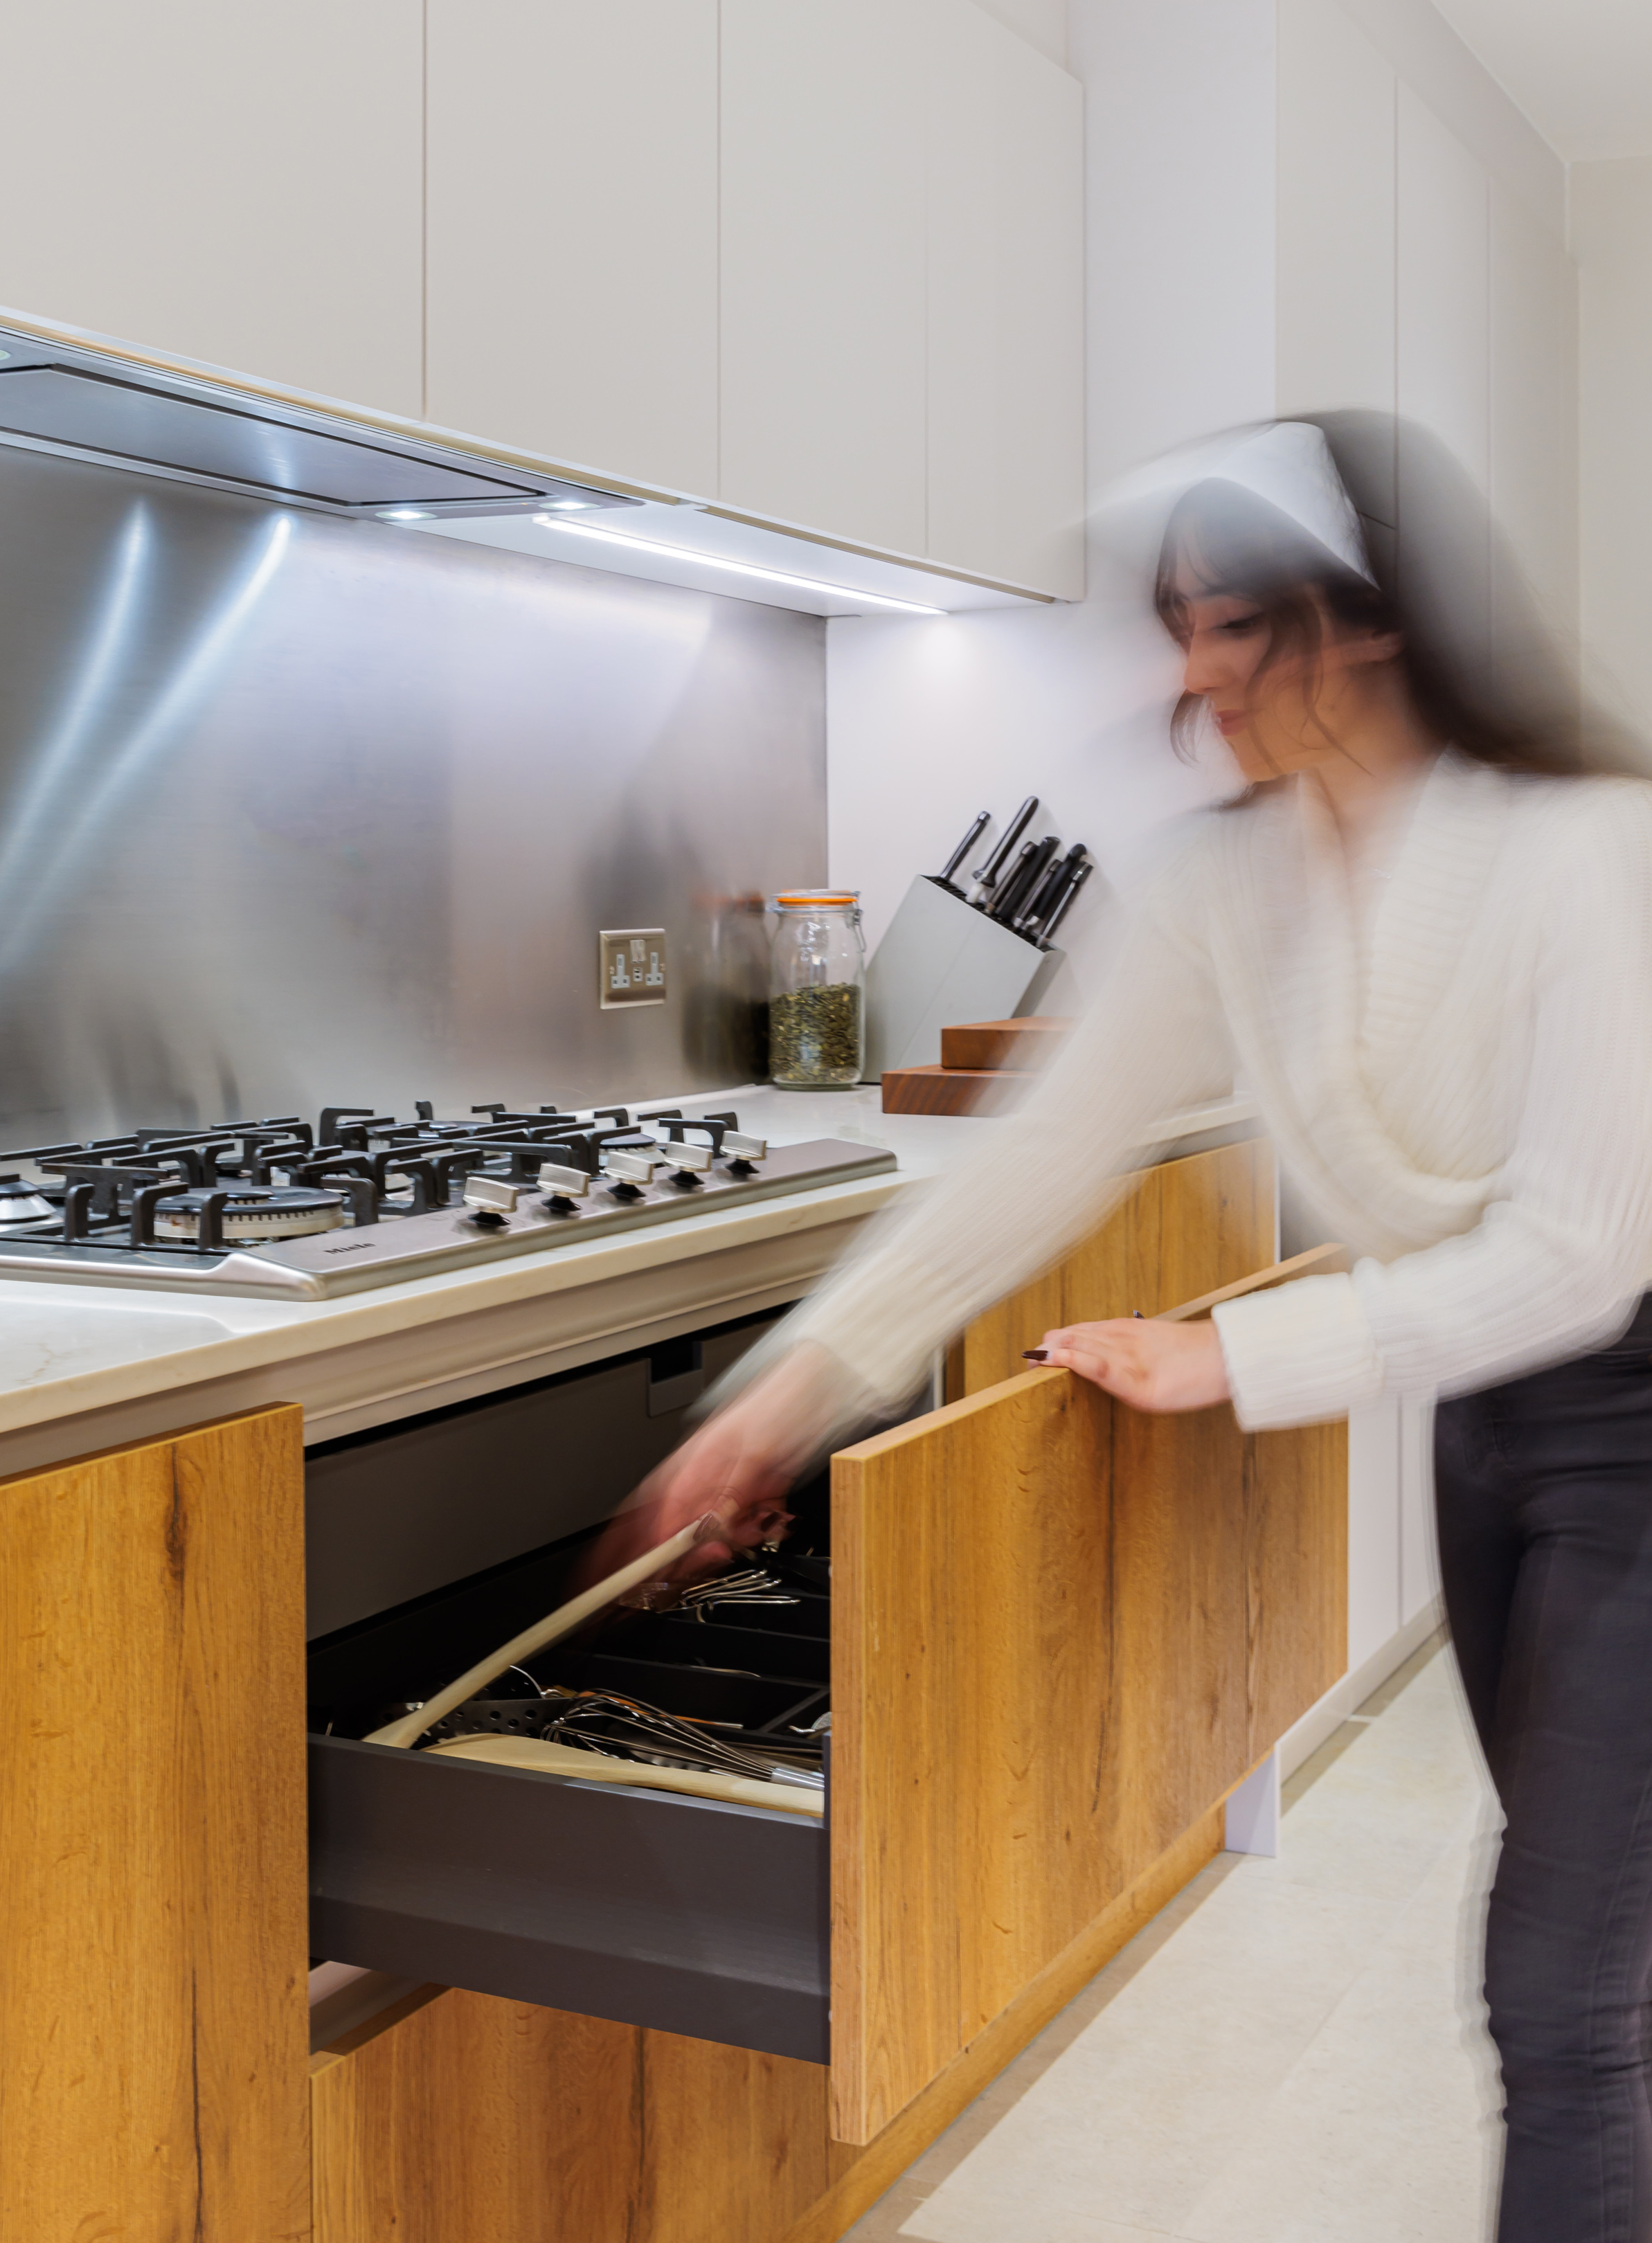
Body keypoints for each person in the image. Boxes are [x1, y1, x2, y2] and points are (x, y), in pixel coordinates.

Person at [626, 416, 1652, 2243]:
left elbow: (1578, 1259)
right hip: (1492, 1425)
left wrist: (1232, 1358)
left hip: (1634, 1406)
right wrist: (783, 1395)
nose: (1193, 672)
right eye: (1178, 625)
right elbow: (1036, 1162)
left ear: (1368, 619)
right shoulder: (1221, 888)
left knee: (1560, 1993)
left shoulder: (1584, 851)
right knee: (1606, 1941)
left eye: (1232, 623)